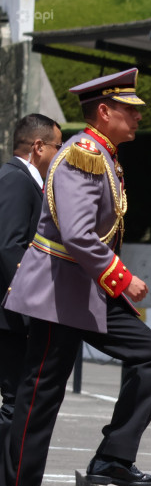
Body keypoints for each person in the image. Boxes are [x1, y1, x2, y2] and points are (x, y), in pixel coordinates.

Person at [0, 68, 151, 486]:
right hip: (60, 292)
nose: (137, 117)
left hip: (86, 290)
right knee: (38, 402)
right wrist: (122, 278)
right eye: (129, 110)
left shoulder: (103, 156)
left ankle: (113, 456)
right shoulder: (83, 155)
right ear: (104, 111)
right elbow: (76, 233)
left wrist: (110, 282)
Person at [0, 114, 62, 443]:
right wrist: (31, 300)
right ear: (38, 147)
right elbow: (9, 245)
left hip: (14, 312)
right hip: (11, 317)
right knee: (14, 404)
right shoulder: (15, 179)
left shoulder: (25, 180)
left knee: (17, 403)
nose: (60, 153)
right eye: (58, 146)